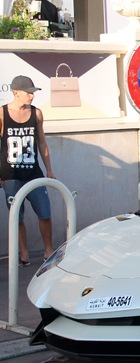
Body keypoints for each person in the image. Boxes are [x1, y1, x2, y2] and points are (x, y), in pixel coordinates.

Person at [0, 76, 56, 267]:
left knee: (45, 212)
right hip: (10, 175)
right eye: (28, 93)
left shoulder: (36, 114)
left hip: (34, 172)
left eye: (33, 93)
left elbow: (42, 142)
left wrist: (49, 169)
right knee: (17, 215)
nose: (32, 96)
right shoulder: (2, 113)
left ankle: (48, 249)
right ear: (16, 92)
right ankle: (24, 252)